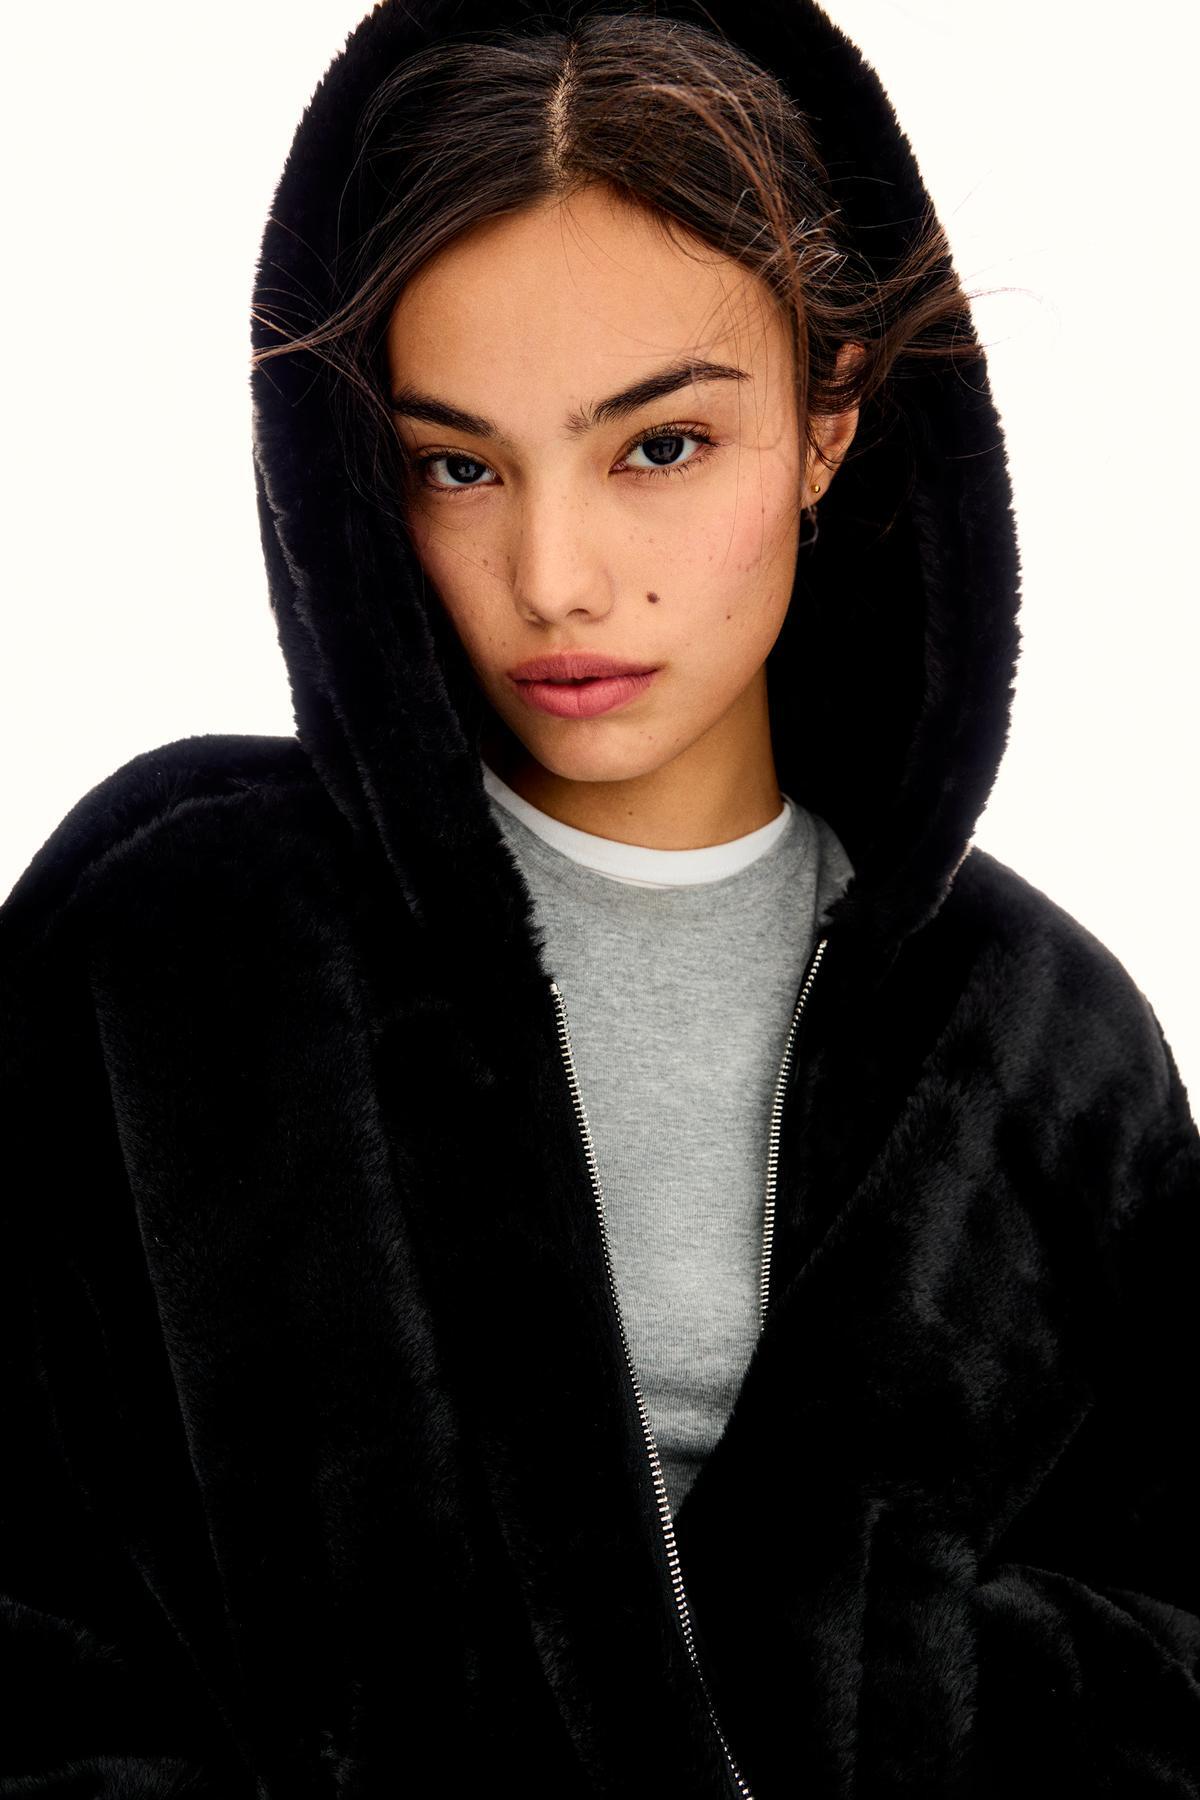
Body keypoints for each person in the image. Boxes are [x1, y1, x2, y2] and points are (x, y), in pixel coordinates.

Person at [2, 0, 1196, 1794]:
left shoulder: (1044, 1050)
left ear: (829, 419)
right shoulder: (178, 945)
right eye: (457, 464)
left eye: (660, 446)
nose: (554, 575)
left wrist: (869, 1678)